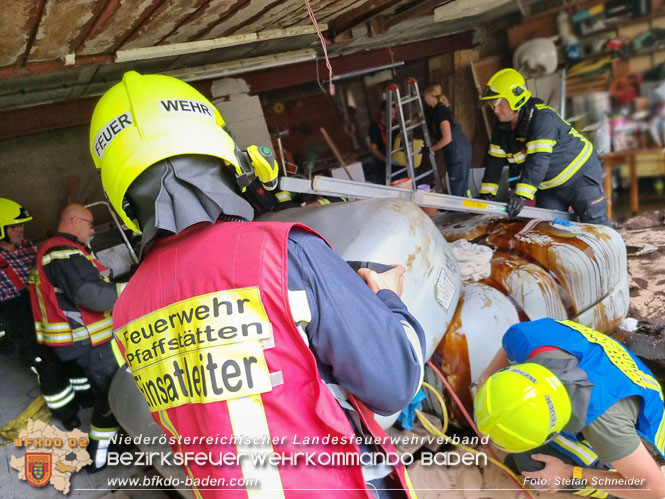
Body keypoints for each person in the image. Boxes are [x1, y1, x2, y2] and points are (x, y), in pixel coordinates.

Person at [89, 71, 426, 497]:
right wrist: (387, 299)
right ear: (220, 153)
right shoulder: (282, 253)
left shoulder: (127, 310)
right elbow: (394, 384)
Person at [475, 318, 665, 498]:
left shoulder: (602, 420)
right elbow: (510, 346)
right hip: (612, 378)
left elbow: (654, 488)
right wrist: (485, 380)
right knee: (524, 460)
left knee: (532, 466)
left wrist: (570, 473)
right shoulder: (527, 339)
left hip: (640, 429)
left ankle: (612, 494)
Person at [28, 203, 123, 472]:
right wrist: (132, 290)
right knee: (112, 396)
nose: (93, 231)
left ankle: (108, 441)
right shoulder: (62, 252)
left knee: (101, 391)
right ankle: (98, 455)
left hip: (75, 344)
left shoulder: (52, 250)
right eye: (91, 224)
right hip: (91, 343)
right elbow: (89, 295)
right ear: (74, 221)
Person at [0, 198, 93, 430]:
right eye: (14, 226)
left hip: (46, 313)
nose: (20, 229)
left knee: (69, 355)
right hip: (21, 324)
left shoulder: (30, 247)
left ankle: (86, 396)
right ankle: (66, 412)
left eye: (21, 225)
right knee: (49, 368)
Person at [478, 68, 610, 226]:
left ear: (515, 97)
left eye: (499, 104)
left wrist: (521, 195)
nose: (496, 110)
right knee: (549, 227)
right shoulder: (502, 129)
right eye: (493, 105)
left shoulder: (542, 119)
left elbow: (538, 159)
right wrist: (486, 195)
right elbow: (494, 163)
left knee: (595, 225)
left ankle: (617, 250)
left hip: (580, 175)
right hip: (549, 184)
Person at [422, 84, 472, 197]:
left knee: (458, 188)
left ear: (430, 95)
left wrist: (430, 149)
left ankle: (462, 212)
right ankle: (465, 209)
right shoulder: (436, 110)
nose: (424, 99)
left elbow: (447, 138)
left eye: (425, 95)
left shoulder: (441, 111)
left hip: (457, 151)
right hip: (457, 150)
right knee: (460, 186)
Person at [368, 101, 397, 184]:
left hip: (397, 163)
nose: (394, 117)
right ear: (382, 113)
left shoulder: (394, 124)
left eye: (395, 114)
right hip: (384, 167)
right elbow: (373, 149)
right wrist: (386, 160)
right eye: (391, 114)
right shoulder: (375, 128)